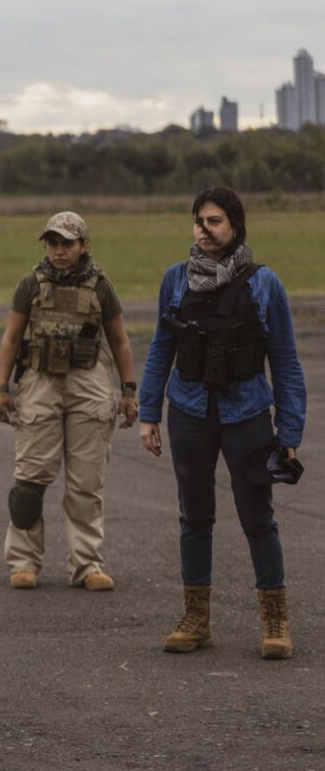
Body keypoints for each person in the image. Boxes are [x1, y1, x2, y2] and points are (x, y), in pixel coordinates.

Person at [139, 186, 306, 660]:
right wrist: (148, 412)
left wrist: (289, 432)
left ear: (235, 225)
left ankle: (275, 620)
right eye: (198, 221)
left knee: (258, 517)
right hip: (189, 411)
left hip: (247, 412)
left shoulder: (264, 284)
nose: (205, 229)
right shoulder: (175, 280)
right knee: (195, 516)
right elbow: (160, 350)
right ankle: (197, 620)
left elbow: (286, 362)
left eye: (214, 221)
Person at [0, 212, 136, 591]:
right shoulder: (30, 284)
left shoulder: (102, 287)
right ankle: (23, 561)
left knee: (86, 483)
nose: (58, 251)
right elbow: (10, 337)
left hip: (89, 382)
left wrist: (129, 392)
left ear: (83, 245)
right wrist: (1, 388)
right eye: (52, 243)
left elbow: (120, 341)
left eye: (67, 243)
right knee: (28, 483)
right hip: (39, 381)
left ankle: (87, 564)